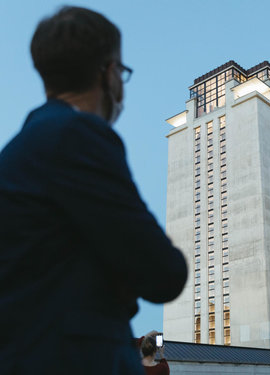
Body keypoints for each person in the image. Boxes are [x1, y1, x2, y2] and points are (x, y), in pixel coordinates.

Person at [0, 6, 187, 375]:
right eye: (121, 70)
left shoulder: (20, 148)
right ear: (108, 72)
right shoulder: (78, 136)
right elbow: (164, 272)